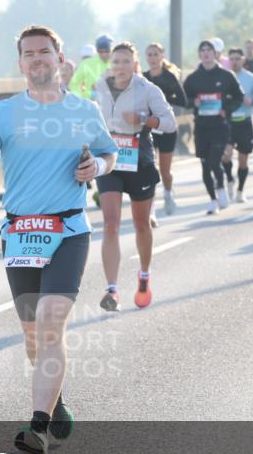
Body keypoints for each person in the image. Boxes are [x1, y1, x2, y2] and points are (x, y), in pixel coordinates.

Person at [0, 25, 117, 454]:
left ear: (61, 58)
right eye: (29, 54)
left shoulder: (84, 110)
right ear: (21, 63)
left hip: (67, 230)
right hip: (20, 233)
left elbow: (109, 153)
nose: (37, 59)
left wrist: (96, 168)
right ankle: (55, 400)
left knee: (50, 323)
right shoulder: (4, 114)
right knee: (33, 336)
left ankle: (38, 428)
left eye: (44, 51)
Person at [93, 42, 176, 311]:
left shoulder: (148, 89)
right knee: (110, 224)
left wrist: (143, 118)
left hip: (139, 159)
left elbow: (169, 123)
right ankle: (112, 289)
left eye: (125, 61)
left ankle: (143, 274)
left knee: (141, 225)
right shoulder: (101, 85)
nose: (119, 66)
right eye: (116, 61)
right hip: (110, 159)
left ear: (135, 64)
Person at [182, 39, 244, 214]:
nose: (206, 53)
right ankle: (212, 200)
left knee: (214, 160)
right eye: (203, 50)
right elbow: (183, 99)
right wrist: (193, 102)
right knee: (204, 164)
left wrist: (227, 109)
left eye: (209, 50)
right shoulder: (194, 78)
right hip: (201, 126)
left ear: (216, 54)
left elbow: (239, 96)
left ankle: (221, 188)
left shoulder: (226, 76)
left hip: (220, 126)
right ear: (199, 55)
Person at [144, 42, 187, 215]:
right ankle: (151, 206)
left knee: (165, 170)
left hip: (167, 128)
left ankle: (168, 194)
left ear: (162, 56)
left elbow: (183, 101)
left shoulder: (169, 77)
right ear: (145, 57)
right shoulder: (142, 77)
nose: (153, 58)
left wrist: (164, 101)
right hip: (148, 128)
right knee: (148, 168)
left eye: (156, 54)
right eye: (150, 54)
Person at [228, 47, 253, 201]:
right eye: (232, 59)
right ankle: (229, 180)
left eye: (238, 59)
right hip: (228, 123)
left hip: (244, 122)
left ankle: (240, 190)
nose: (235, 62)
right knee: (226, 155)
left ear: (243, 60)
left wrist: (252, 101)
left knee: (243, 160)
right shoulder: (224, 77)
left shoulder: (251, 79)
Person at [68, 34, 113, 99]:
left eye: (107, 51)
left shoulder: (119, 62)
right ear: (97, 51)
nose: (104, 54)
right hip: (91, 103)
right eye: (100, 51)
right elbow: (73, 84)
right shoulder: (86, 64)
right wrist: (86, 95)